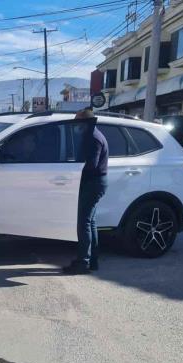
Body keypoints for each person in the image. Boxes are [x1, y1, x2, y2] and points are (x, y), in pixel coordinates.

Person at [63, 107, 109, 275]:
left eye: (78, 122)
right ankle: (92, 261)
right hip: (95, 182)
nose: (76, 125)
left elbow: (91, 165)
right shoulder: (93, 135)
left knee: (84, 223)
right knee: (91, 222)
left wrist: (73, 172)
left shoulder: (94, 138)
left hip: (93, 183)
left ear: (85, 122)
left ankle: (83, 263)